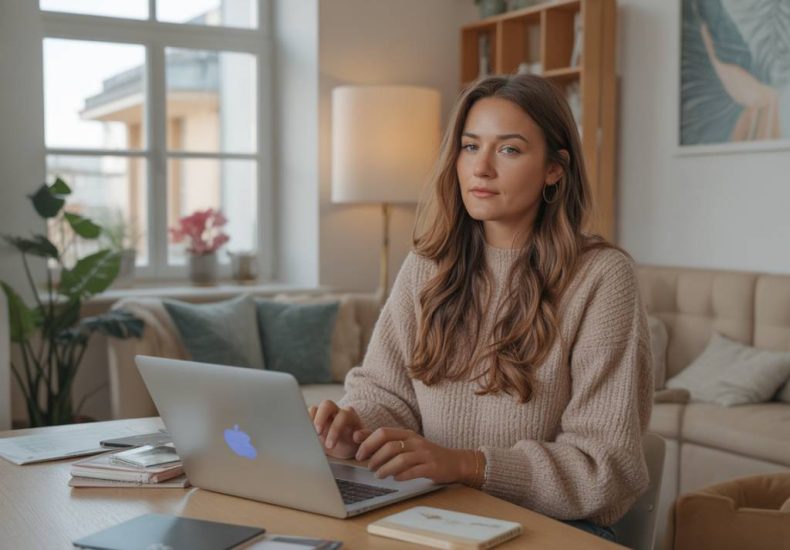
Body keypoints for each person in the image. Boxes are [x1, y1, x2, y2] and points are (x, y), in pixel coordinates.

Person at [311, 74, 653, 542]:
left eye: (508, 150)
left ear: (555, 168)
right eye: (470, 147)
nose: (481, 168)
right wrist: (357, 427)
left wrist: (469, 465)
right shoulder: (426, 265)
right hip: (437, 512)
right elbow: (386, 394)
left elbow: (605, 467)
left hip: (556, 528)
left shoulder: (601, 277)